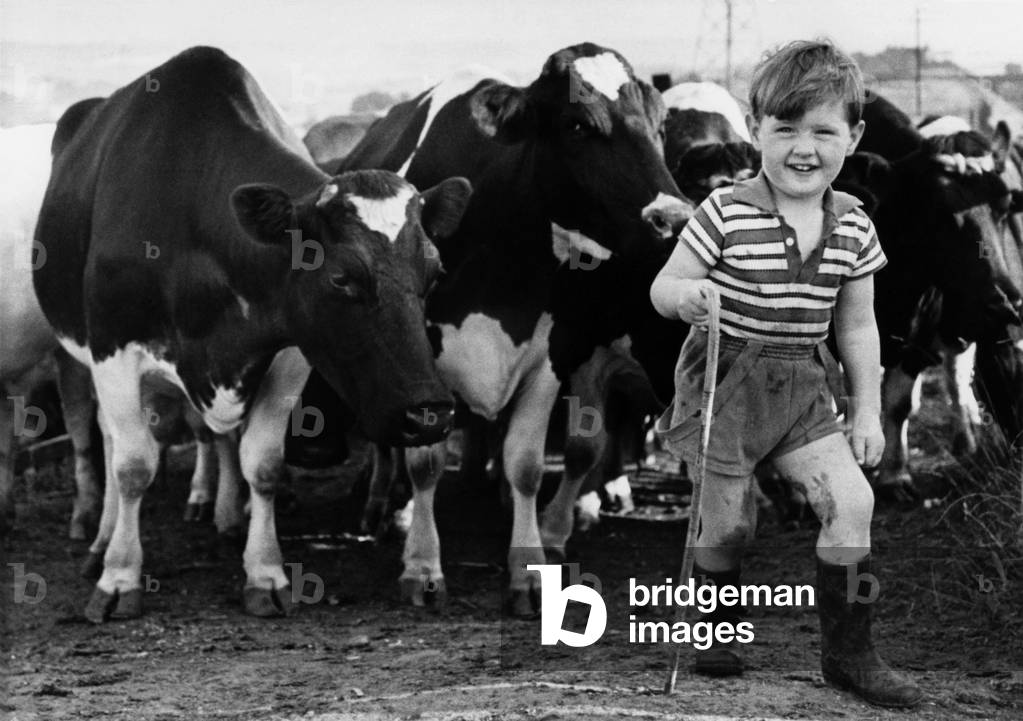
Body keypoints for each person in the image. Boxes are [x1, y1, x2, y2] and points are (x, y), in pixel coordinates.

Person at [649, 40, 922, 708]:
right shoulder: (722, 213)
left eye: (823, 131)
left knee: (851, 501)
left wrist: (865, 410)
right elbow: (667, 282)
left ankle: (850, 651)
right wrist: (685, 297)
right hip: (725, 382)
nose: (804, 148)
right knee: (728, 523)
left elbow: (856, 325)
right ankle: (716, 627)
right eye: (785, 130)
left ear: (852, 135)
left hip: (801, 386)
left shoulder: (854, 223)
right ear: (754, 131)